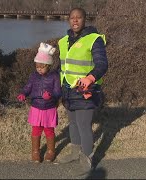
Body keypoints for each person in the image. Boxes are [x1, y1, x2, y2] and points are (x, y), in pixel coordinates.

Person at [57, 7, 108, 173]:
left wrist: (90, 78)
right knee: (72, 123)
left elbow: (102, 64)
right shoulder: (63, 41)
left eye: (79, 17)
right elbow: (63, 68)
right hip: (68, 91)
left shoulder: (94, 39)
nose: (75, 20)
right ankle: (75, 152)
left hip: (86, 90)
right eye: (72, 17)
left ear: (85, 20)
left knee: (83, 125)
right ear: (68, 20)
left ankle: (87, 159)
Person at [17, 42, 62, 163]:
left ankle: (51, 152)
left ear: (48, 65)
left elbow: (58, 92)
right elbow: (28, 87)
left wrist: (51, 96)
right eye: (37, 67)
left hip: (49, 107)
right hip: (36, 107)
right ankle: (35, 152)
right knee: (36, 129)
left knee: (49, 130)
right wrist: (23, 93)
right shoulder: (33, 76)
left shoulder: (54, 76)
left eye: (42, 67)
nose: (39, 69)